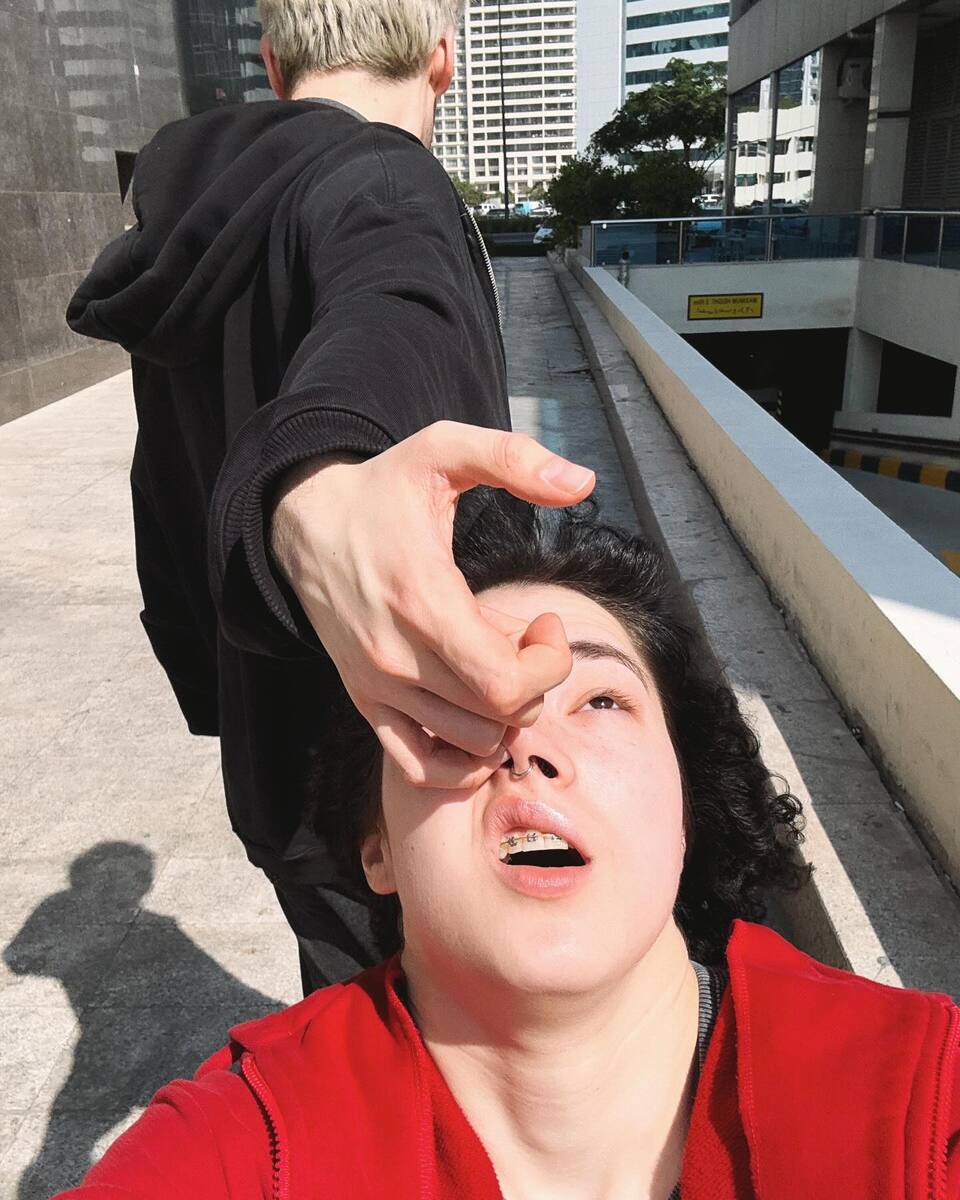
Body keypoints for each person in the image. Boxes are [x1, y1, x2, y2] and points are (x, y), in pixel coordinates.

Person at [55, 496, 960, 1199]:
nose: (526, 746)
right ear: (374, 847)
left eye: (600, 700)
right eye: (449, 711)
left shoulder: (918, 1101)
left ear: (688, 809)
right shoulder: (247, 1146)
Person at [66, 0, 596, 992]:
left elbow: (161, 486)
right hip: (405, 757)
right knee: (428, 1045)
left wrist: (216, 680)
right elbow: (391, 315)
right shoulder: (390, 182)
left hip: (273, 745)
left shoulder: (186, 233)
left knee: (348, 1024)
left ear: (273, 64)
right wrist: (323, 480)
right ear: (442, 61)